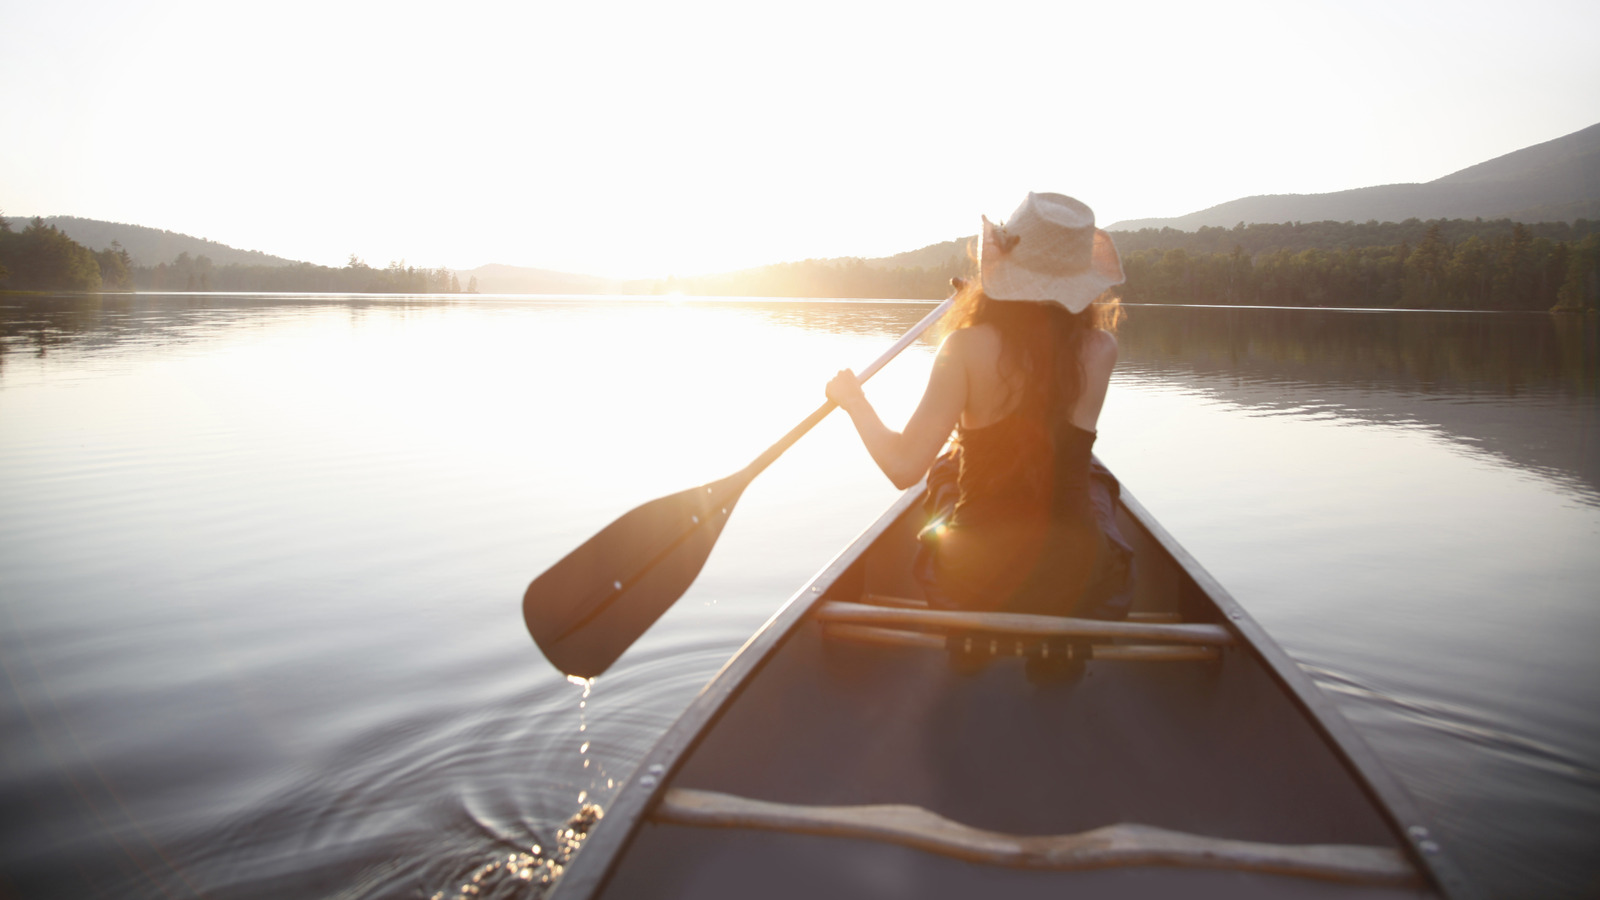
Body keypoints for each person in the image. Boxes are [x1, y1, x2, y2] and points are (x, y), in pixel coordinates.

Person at [825, 192, 1133, 681]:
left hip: (976, 575)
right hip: (1074, 577)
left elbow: (904, 468)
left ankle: (976, 637)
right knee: (1092, 479)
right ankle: (1054, 642)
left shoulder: (965, 346)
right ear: (1079, 283)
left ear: (1002, 268)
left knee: (947, 467)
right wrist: (996, 295)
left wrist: (853, 400)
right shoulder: (1102, 348)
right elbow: (1042, 362)